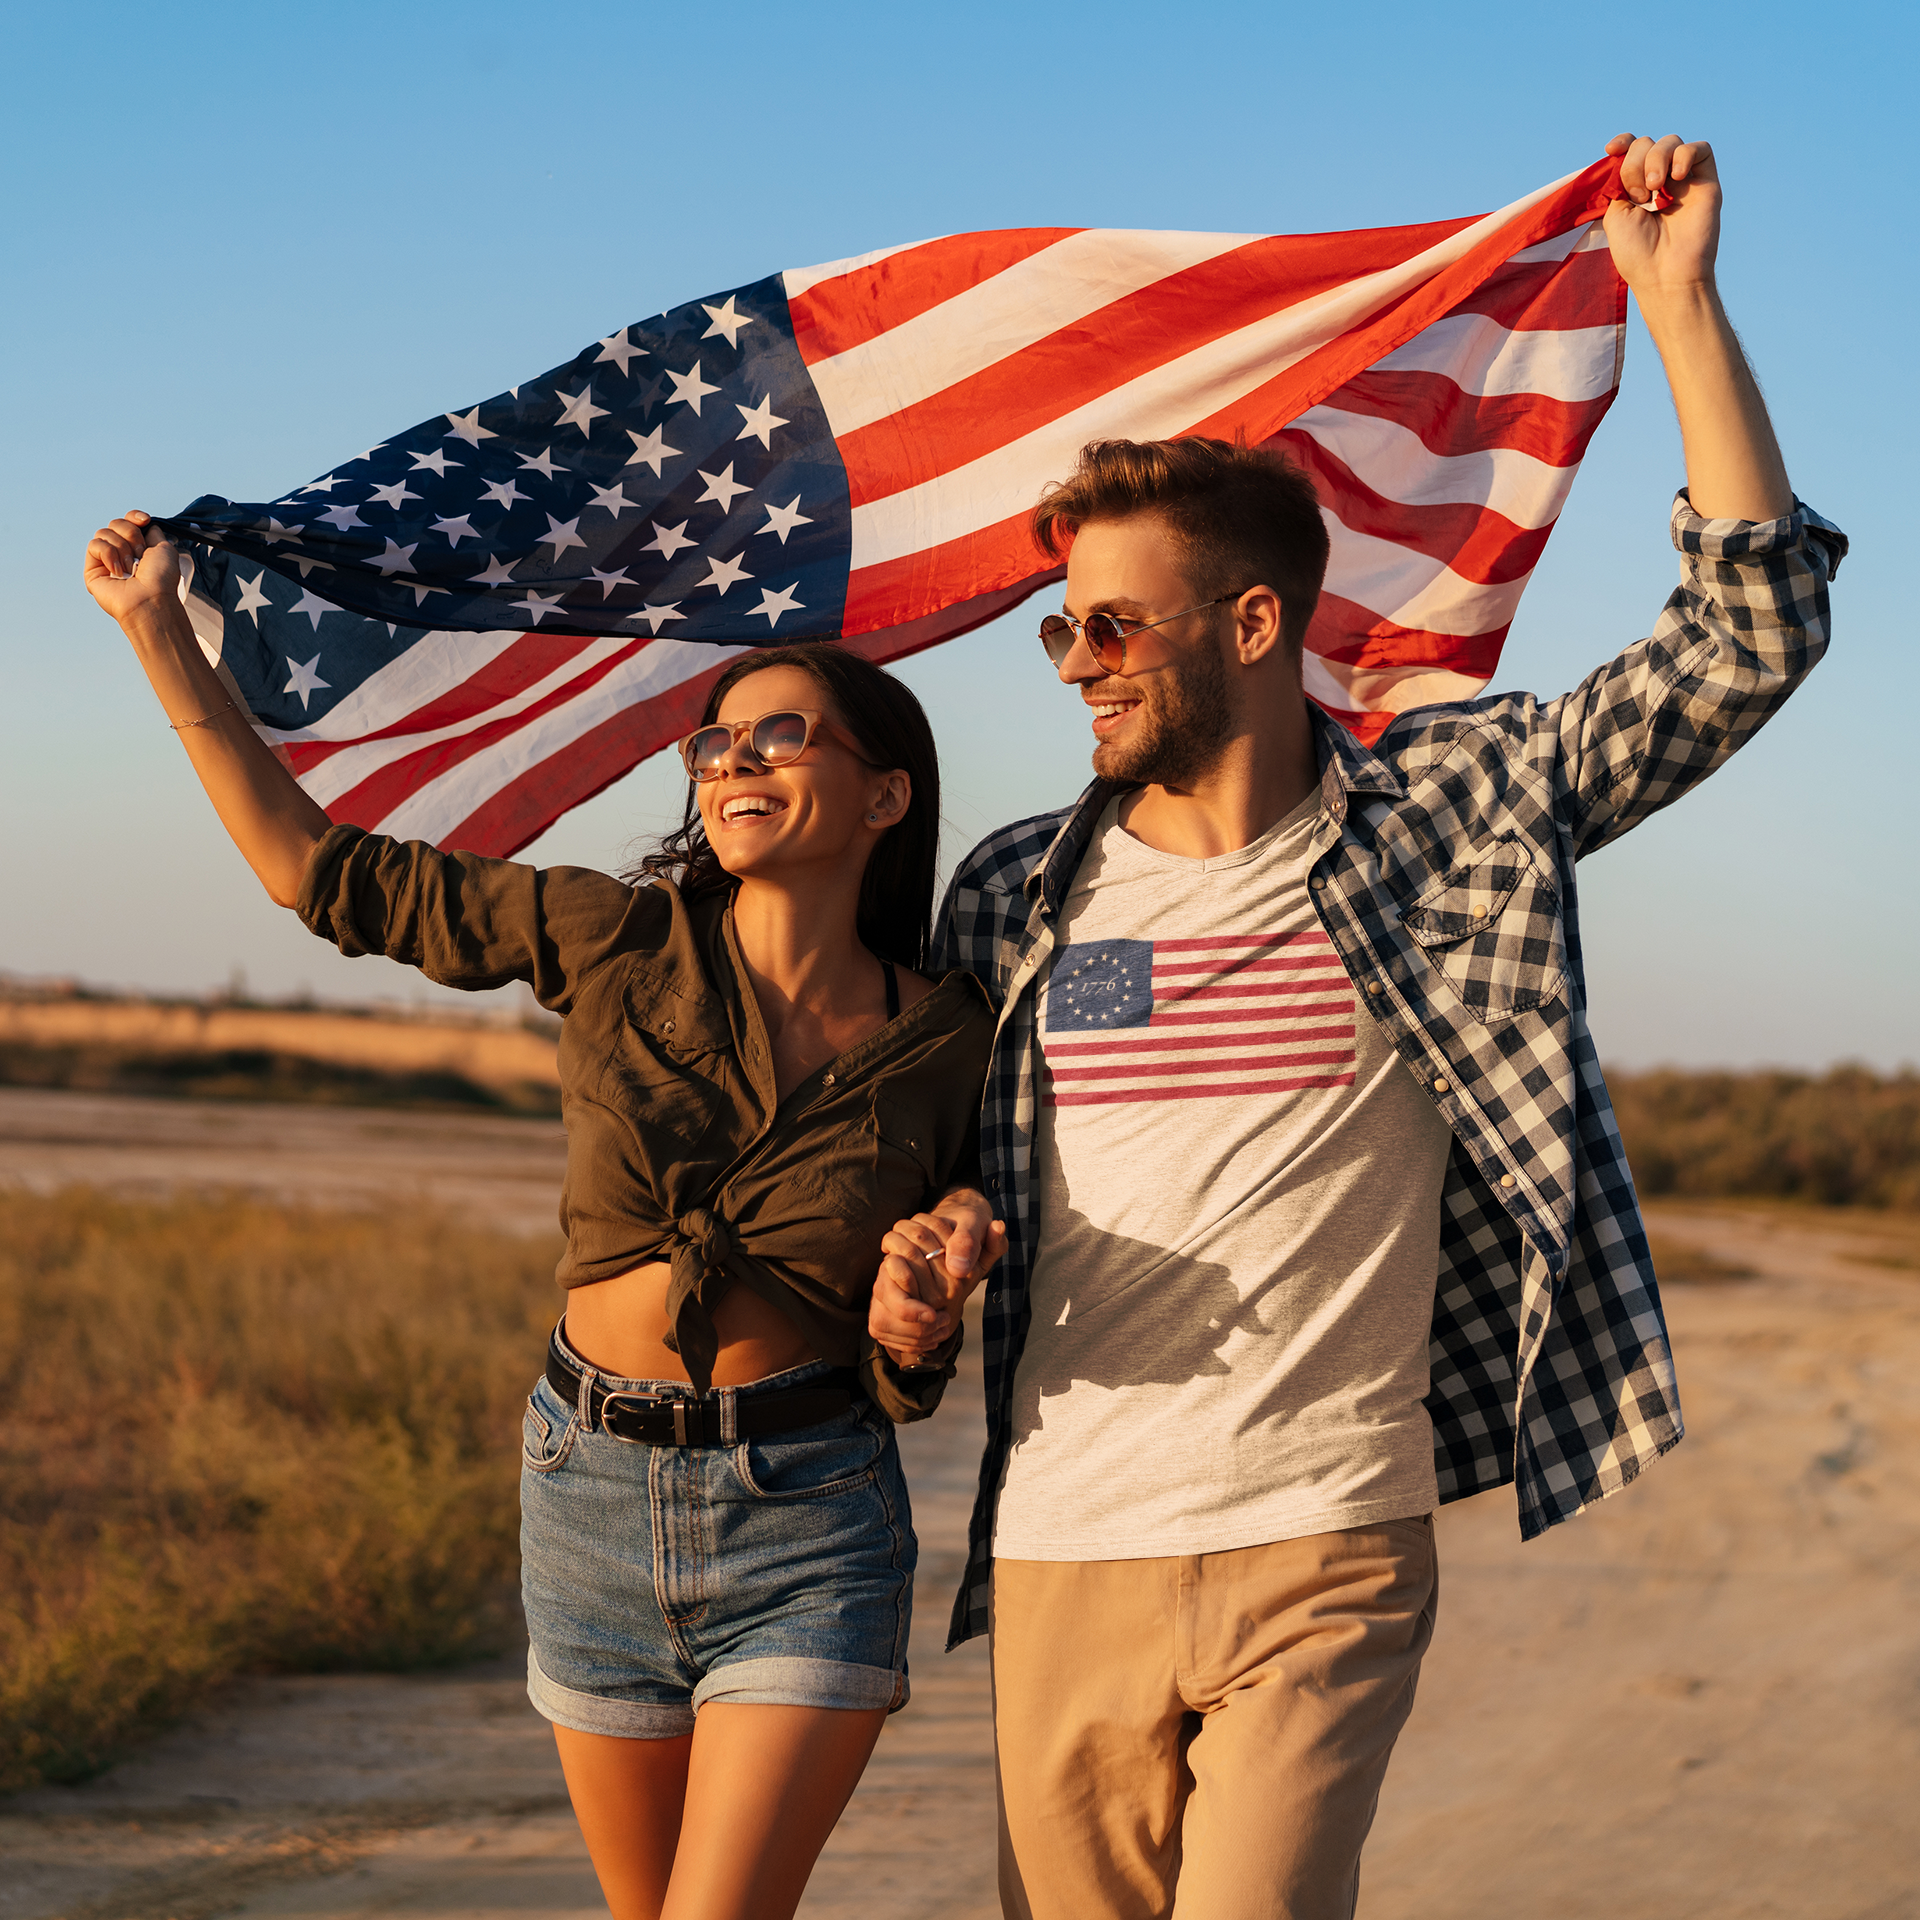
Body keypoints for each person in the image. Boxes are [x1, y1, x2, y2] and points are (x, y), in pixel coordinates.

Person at [869, 131, 1848, 1917]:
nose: (1073, 661)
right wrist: (917, 1285)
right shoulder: (1014, 897)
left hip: (1323, 1533)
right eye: (1059, 633)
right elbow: (924, 1213)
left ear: (1255, 622)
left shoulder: (1447, 820)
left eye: (1108, 627)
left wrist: (1680, 307)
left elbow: (1748, 634)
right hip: (1065, 1541)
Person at [76, 521, 1002, 1920]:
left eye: (783, 733)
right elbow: (312, 872)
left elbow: (908, 1344)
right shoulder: (613, 936)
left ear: (885, 796)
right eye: (717, 742)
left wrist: (919, 1319)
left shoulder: (948, 1041)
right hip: (589, 1493)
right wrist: (155, 629)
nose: (735, 760)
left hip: (808, 1513)